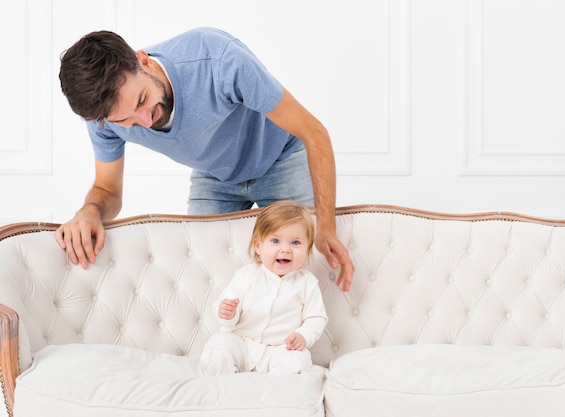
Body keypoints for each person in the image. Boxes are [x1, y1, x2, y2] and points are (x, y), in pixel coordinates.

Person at [55, 27, 353, 291]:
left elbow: (315, 134)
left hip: (280, 157)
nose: (145, 121)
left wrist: (327, 225)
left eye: (142, 100)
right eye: (126, 120)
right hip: (215, 174)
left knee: (306, 268)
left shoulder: (217, 60)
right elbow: (107, 191)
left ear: (143, 61)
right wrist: (90, 212)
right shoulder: (103, 121)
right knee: (203, 279)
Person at [200, 200, 327, 375]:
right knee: (217, 348)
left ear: (307, 248)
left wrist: (303, 336)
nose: (286, 249)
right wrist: (227, 312)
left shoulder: (307, 282)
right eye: (275, 240)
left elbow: (316, 317)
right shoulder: (246, 275)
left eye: (295, 243)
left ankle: (270, 389)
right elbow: (225, 306)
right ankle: (224, 387)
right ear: (258, 246)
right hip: (241, 342)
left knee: (298, 359)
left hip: (279, 348)